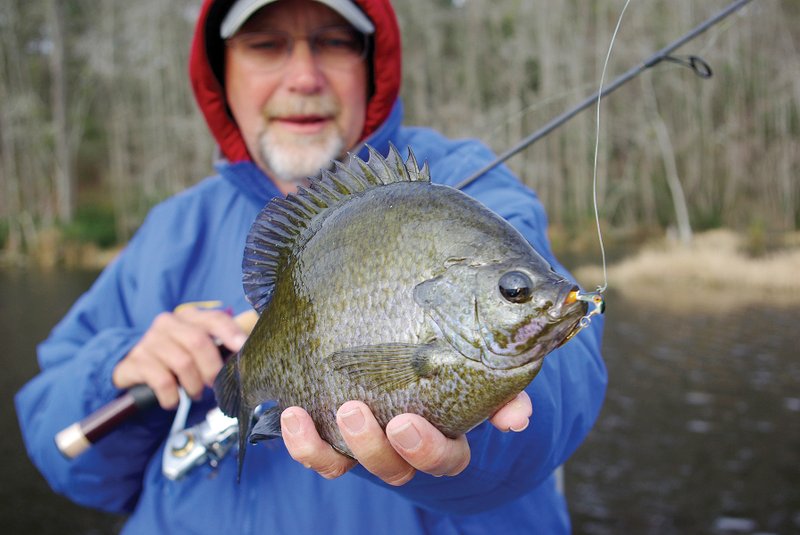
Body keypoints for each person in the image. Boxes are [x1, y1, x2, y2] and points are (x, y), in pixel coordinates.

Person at [15, 0, 607, 533]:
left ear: (371, 62)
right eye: (266, 45)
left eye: (334, 41)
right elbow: (71, 464)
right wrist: (117, 373)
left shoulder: (466, 190)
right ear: (223, 73)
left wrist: (466, 435)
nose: (304, 77)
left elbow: (563, 392)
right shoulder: (170, 231)